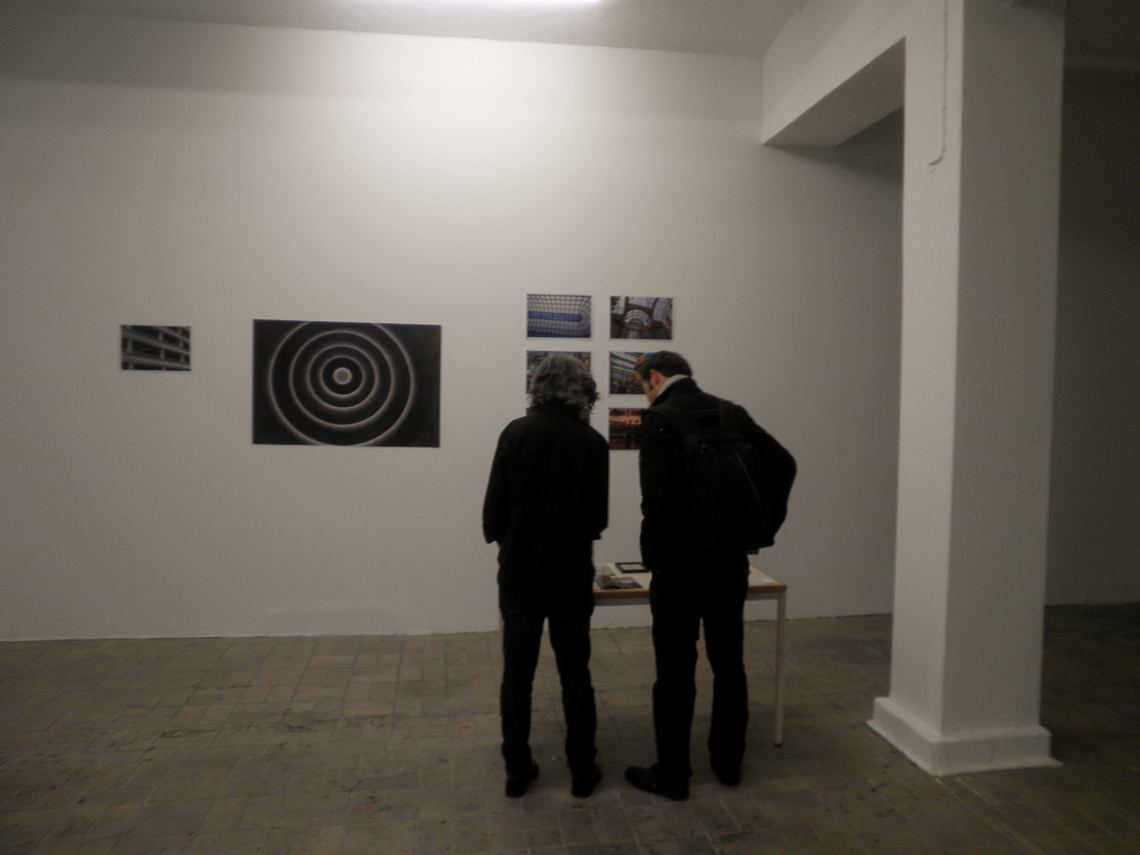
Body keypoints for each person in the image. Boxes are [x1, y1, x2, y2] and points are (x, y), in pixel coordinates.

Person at [625, 351, 795, 800]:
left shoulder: (659, 421)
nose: (644, 393)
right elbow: (783, 464)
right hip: (728, 564)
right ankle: (728, 764)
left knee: (675, 671)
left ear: (655, 377)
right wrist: (760, 528)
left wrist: (653, 559)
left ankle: (674, 775)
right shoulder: (729, 412)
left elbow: (656, 504)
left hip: (679, 568)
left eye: (642, 383)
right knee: (729, 665)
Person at [483, 353, 609, 799]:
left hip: (520, 574)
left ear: (538, 387)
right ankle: (581, 769)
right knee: (576, 674)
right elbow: (598, 519)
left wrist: (509, 540)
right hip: (571, 575)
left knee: (517, 675)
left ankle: (517, 769)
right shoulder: (592, 444)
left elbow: (493, 513)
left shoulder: (515, 434)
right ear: (582, 391)